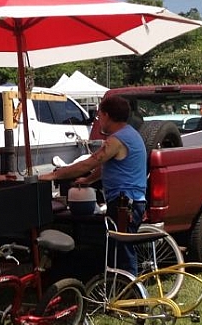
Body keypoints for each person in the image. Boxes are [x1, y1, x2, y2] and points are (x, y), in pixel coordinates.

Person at [40, 94, 147, 275]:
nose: (99, 121)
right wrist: (88, 180)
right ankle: (123, 289)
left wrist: (54, 175)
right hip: (131, 201)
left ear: (106, 115)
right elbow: (108, 165)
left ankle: (134, 296)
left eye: (99, 117)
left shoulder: (116, 140)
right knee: (117, 249)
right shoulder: (131, 134)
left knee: (122, 251)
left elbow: (89, 163)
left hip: (125, 204)